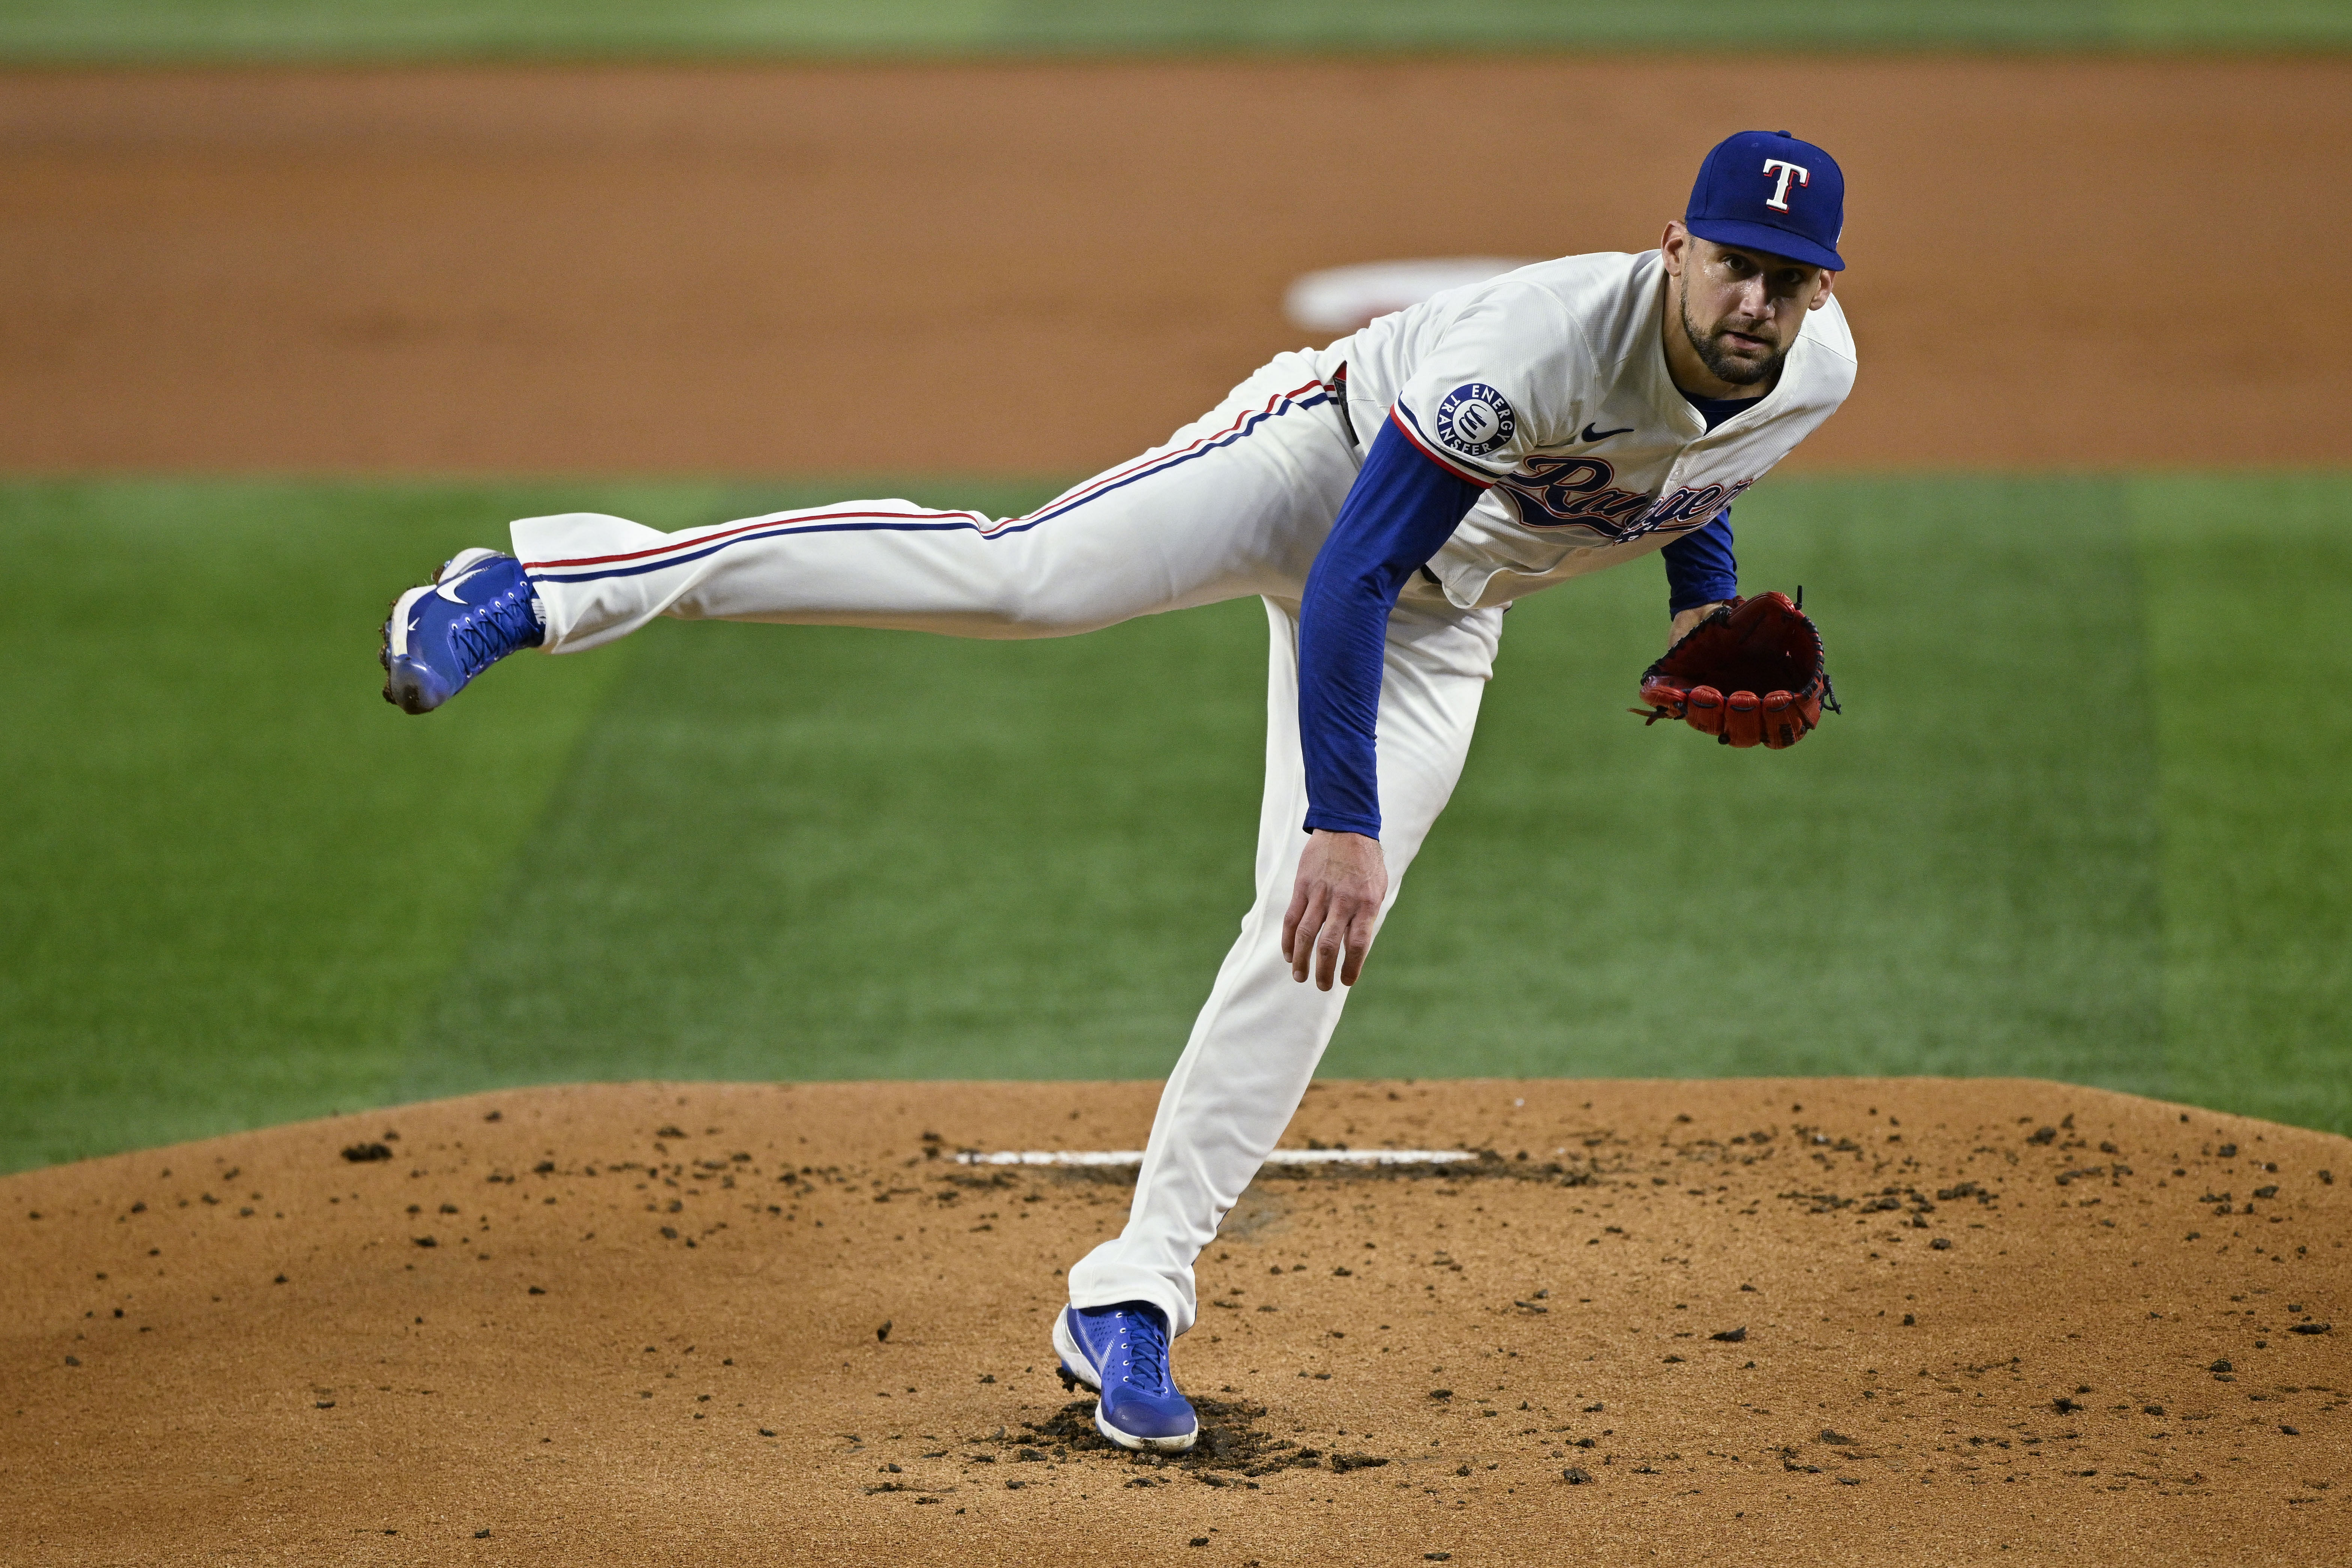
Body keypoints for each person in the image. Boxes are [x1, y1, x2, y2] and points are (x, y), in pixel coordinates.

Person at [380, 129, 1855, 1453]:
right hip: (1313, 473)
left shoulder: (1815, 365)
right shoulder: (1525, 346)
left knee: (1318, 935)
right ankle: (551, 581)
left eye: (1787, 284)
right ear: (1676, 247)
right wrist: (1337, 820)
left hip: (1448, 612)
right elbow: (1351, 568)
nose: (1756, 307)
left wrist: (1694, 608)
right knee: (1025, 580)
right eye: (1734, 267)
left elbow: (1691, 472)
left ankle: (1132, 1289)